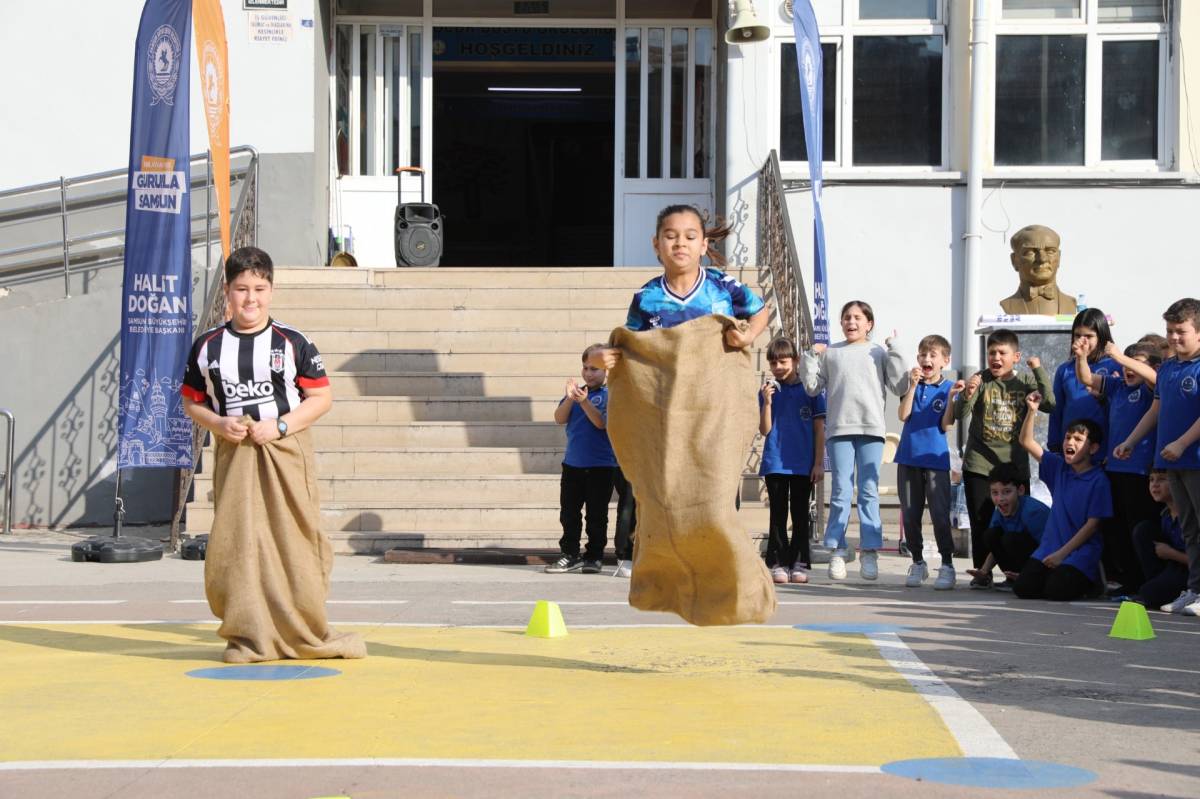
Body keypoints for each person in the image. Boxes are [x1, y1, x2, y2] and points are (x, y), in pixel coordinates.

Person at [181, 246, 365, 663]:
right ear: (227, 291)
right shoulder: (207, 346)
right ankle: (248, 638)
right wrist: (216, 424)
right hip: (235, 451)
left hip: (285, 449)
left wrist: (280, 425)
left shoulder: (293, 341)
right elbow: (191, 402)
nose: (251, 299)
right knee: (239, 544)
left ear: (271, 290)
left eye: (259, 289)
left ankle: (305, 628)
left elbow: (320, 398)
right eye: (242, 289)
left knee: (294, 540)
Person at [800, 300, 909, 581]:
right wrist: (810, 356)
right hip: (839, 430)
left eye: (858, 318)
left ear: (869, 323)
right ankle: (837, 550)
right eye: (847, 317)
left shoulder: (879, 352)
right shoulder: (832, 353)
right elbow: (812, 388)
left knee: (868, 492)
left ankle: (870, 552)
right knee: (840, 493)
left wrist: (895, 349)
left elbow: (900, 385)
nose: (851, 322)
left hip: (872, 430)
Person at [590, 204, 768, 360]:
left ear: (704, 245)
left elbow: (759, 310)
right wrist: (601, 356)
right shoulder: (645, 297)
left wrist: (749, 335)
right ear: (656, 244)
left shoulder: (723, 286)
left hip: (715, 393)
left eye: (690, 237)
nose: (680, 243)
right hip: (665, 394)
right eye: (670, 236)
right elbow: (627, 343)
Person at [950, 328, 1054, 588]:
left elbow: (1050, 403)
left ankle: (1016, 572)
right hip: (979, 463)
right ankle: (982, 574)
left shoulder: (1027, 381)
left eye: (1001, 353)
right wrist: (967, 393)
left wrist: (1039, 370)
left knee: (1017, 522)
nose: (995, 358)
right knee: (982, 522)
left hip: (1013, 465)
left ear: (1015, 356)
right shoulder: (981, 380)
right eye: (991, 353)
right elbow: (960, 414)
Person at [1115, 298, 1200, 616]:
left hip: (1195, 459)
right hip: (1173, 462)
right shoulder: (1167, 370)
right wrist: (1131, 441)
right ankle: (1194, 589)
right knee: (1189, 528)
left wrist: (1181, 442)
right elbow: (1157, 408)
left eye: (1182, 331)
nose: (1175, 338)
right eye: (1170, 331)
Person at [1076, 341, 1162, 595]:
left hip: (1140, 472)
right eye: (1126, 363)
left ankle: (1148, 582)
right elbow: (1087, 378)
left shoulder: (1151, 389)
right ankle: (1129, 580)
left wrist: (1119, 357)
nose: (1128, 368)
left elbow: (1155, 378)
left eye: (1136, 363)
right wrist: (1081, 356)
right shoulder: (1117, 387)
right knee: (1117, 528)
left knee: (1139, 527)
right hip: (1114, 469)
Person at [1015, 399, 1112, 602]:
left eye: (1078, 439)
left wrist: (1062, 554)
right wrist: (1032, 411)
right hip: (1050, 549)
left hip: (1079, 553)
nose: (1069, 442)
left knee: (1056, 592)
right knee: (1023, 588)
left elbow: (1093, 525)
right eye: (1067, 437)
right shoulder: (1059, 467)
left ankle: (1093, 581)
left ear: (1093, 448)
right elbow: (1026, 442)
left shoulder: (1099, 480)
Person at [759, 337, 826, 584]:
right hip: (775, 462)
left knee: (799, 514)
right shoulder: (769, 390)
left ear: (796, 361)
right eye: (774, 362)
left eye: (783, 361)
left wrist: (819, 463)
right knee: (778, 513)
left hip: (802, 463)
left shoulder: (811, 390)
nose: (778, 367)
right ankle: (777, 561)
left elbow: (820, 430)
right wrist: (766, 402)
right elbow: (765, 430)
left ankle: (799, 561)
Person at [546, 344, 618, 575]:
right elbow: (559, 418)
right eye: (585, 368)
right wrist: (570, 399)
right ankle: (569, 554)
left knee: (596, 515)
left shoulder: (609, 395)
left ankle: (594, 556)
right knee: (569, 513)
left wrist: (584, 402)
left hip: (601, 466)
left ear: (607, 370)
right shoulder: (577, 394)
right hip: (573, 465)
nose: (589, 373)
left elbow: (601, 423)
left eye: (595, 369)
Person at [896, 334, 957, 589]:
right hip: (908, 457)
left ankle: (946, 564)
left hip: (935, 459)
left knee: (940, 514)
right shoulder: (912, 384)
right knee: (910, 514)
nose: (926, 359)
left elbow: (947, 423)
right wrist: (911, 386)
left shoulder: (948, 387)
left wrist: (953, 398)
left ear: (945, 360)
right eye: (922, 355)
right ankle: (918, 562)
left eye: (932, 355)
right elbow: (903, 415)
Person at [1050, 308, 1119, 457]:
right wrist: (1054, 446)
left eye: (1089, 336)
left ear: (1101, 337)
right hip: (1071, 451)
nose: (1082, 341)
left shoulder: (1115, 366)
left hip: (1105, 449)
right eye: (1078, 335)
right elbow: (1056, 411)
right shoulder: (1065, 370)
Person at [974, 462, 1051, 590]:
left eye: (1006, 492)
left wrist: (1029, 574)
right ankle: (1012, 579)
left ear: (1020, 490)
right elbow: (995, 547)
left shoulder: (1033, 512)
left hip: (1043, 562)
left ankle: (1028, 578)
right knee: (991, 535)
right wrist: (983, 571)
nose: (1000, 499)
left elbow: (1048, 548)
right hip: (1026, 559)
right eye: (995, 493)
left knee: (1010, 539)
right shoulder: (999, 511)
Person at [1131, 470, 1189, 611]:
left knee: (1148, 593)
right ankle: (1156, 585)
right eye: (1151, 480)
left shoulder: (1190, 514)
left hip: (1191, 572)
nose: (1155, 485)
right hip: (1174, 568)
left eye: (1162, 479)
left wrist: (1171, 554)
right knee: (1143, 530)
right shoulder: (1165, 514)